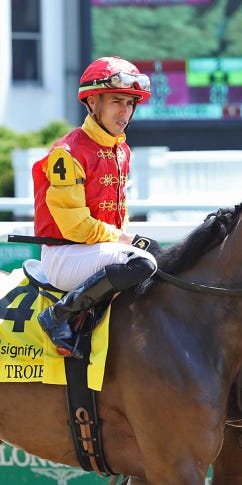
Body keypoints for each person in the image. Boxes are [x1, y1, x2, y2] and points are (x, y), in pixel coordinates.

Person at [33, 56, 159, 358]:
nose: (125, 112)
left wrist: (125, 238)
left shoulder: (121, 150)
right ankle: (59, 315)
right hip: (64, 256)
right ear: (92, 102)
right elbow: (76, 226)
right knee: (143, 262)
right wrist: (124, 239)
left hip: (97, 252)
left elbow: (119, 213)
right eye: (117, 102)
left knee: (156, 254)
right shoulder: (66, 153)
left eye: (130, 103)